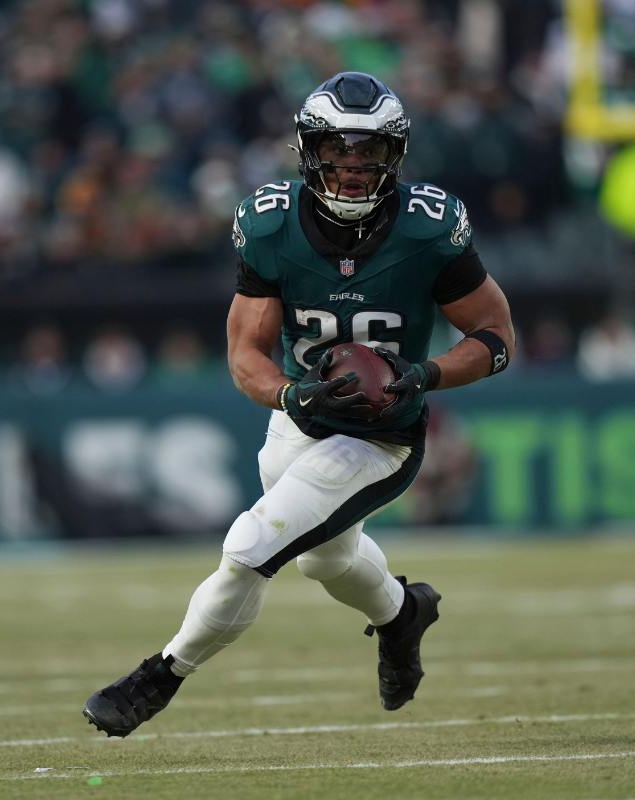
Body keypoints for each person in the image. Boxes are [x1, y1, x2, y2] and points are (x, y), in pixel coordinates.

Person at [83, 72, 516, 737]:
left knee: (252, 544)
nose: (352, 167)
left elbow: (495, 336)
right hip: (301, 417)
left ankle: (158, 677)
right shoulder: (269, 223)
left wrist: (423, 374)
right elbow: (245, 354)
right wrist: (290, 392)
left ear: (395, 155)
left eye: (368, 151)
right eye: (337, 150)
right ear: (309, 151)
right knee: (326, 560)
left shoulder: (428, 228)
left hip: (380, 436)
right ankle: (403, 613)